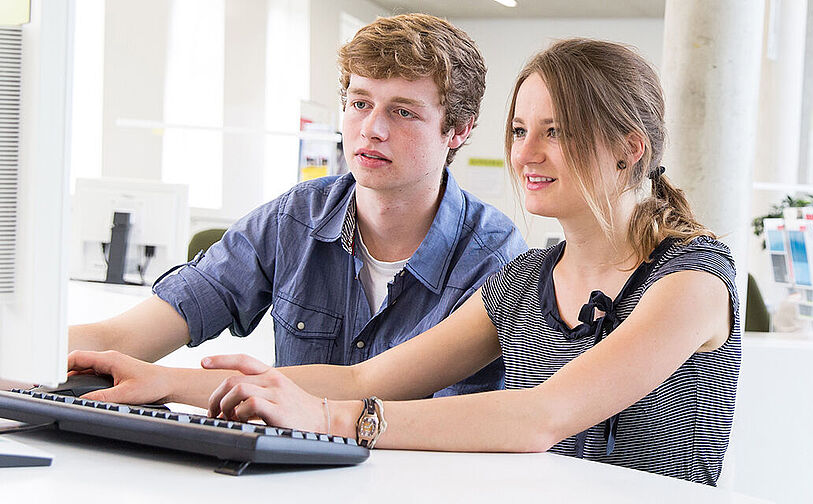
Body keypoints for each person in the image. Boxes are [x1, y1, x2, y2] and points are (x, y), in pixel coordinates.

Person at [69, 38, 741, 486]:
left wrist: (330, 420)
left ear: (628, 148)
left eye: (555, 131)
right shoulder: (524, 282)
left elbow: (541, 416)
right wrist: (161, 384)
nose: (527, 153)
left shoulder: (690, 281)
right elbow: (366, 376)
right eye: (519, 130)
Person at [67, 14, 528, 397]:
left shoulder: (496, 256)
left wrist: (170, 384)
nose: (372, 129)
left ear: (460, 130)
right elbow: (123, 338)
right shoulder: (295, 218)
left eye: (403, 111)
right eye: (359, 103)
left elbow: (369, 391)